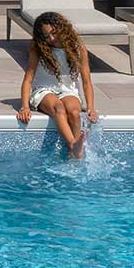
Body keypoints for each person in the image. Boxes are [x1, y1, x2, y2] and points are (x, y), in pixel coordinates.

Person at [16, 10, 99, 158]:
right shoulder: (38, 48)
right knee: (59, 108)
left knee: (74, 112)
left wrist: (91, 108)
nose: (52, 38)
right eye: (47, 36)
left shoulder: (78, 47)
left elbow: (86, 81)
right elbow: (28, 79)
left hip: (68, 90)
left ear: (62, 28)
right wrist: (25, 107)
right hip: (44, 90)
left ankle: (74, 154)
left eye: (54, 33)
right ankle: (73, 145)